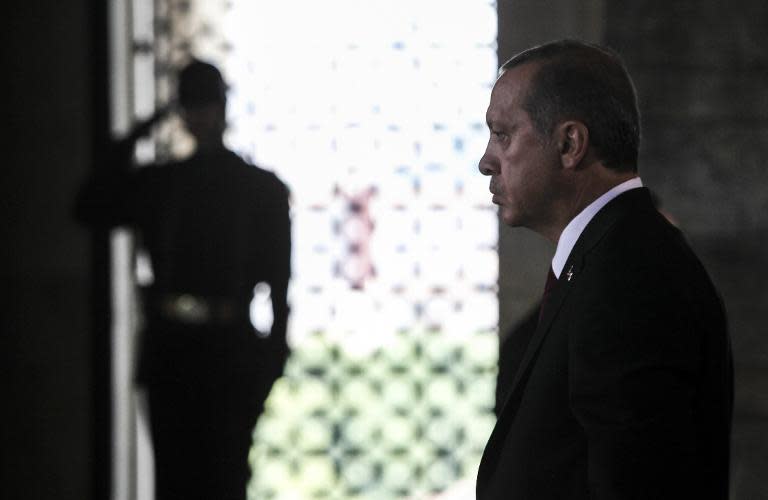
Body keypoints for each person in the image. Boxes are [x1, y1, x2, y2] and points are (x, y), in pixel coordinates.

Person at [476, 40, 732, 499]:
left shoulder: (630, 274)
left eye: (503, 134)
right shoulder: (606, 256)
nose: (485, 161)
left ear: (570, 143)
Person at [76, 60, 291, 500]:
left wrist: (271, 357)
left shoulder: (260, 189)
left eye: (205, 101)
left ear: (223, 106)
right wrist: (146, 125)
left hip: (228, 350)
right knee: (175, 481)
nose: (201, 114)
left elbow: (279, 282)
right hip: (172, 350)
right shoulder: (163, 184)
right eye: (192, 103)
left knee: (225, 478)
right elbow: (89, 205)